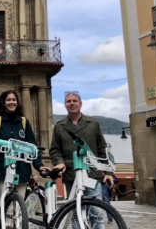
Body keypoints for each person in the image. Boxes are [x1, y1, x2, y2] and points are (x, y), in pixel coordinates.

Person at [50, 91, 114, 229]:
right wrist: (59, 162)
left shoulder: (92, 123)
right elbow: (55, 149)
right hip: (71, 175)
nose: (72, 103)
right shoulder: (59, 126)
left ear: (80, 103)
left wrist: (108, 172)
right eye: (69, 101)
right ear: (65, 105)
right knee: (75, 213)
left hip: (92, 174)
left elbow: (102, 149)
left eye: (74, 101)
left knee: (96, 213)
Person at [0, 90, 49, 198]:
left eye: (14, 99)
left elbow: (32, 147)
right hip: (2, 169)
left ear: (17, 102)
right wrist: (6, 148)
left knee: (20, 205)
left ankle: (19, 215)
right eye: (8, 100)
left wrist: (39, 166)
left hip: (22, 169)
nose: (12, 102)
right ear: (3, 102)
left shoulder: (24, 122)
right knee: (4, 202)